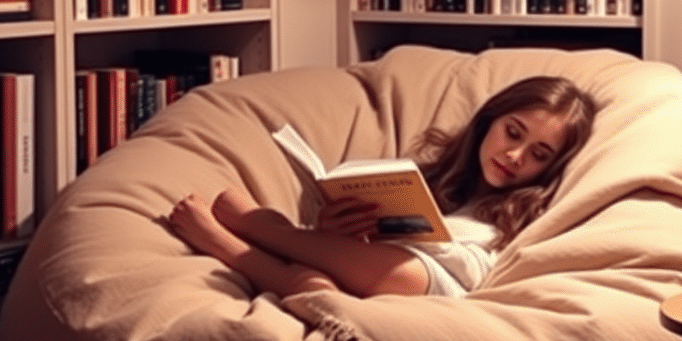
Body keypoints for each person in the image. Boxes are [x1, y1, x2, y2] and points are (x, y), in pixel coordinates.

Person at [167, 75, 595, 301]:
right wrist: (336, 226)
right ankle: (275, 244)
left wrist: (422, 246)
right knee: (318, 282)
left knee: (400, 274)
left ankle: (240, 240)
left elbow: (472, 270)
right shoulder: (432, 179)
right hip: (361, 261)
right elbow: (353, 242)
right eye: (513, 132)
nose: (516, 156)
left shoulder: (524, 214)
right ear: (490, 121)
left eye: (539, 154)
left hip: (429, 283)